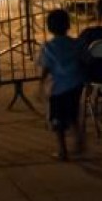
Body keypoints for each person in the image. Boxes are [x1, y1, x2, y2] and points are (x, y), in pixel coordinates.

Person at [39, 10, 85, 160]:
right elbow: (85, 59)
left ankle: (62, 149)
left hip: (58, 88)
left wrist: (41, 84)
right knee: (73, 114)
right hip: (76, 84)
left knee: (58, 119)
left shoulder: (48, 47)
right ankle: (78, 141)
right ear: (68, 25)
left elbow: (45, 67)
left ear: (49, 28)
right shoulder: (76, 44)